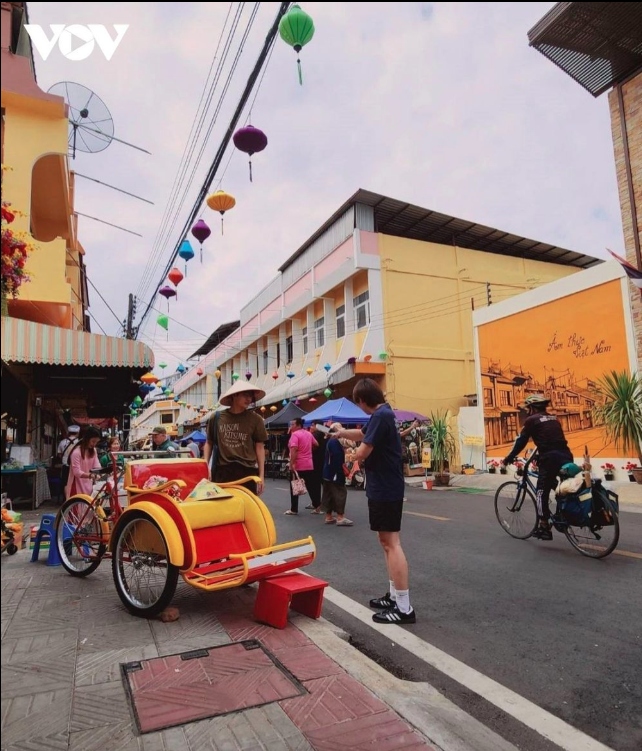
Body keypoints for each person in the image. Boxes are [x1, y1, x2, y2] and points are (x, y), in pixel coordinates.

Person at [334, 378, 415, 624]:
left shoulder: (381, 416)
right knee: (386, 542)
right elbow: (363, 433)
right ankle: (394, 596)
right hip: (385, 485)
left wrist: (348, 449)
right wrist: (340, 432)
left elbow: (362, 450)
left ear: (362, 401)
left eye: (357, 403)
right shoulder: (383, 415)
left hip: (386, 487)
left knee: (391, 543)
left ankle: (404, 607)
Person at [502, 393, 573, 541]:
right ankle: (563, 512)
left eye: (528, 408)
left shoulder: (531, 420)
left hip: (550, 459)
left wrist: (508, 458)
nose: (527, 411)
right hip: (566, 455)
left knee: (541, 491)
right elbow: (550, 439)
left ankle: (544, 526)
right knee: (562, 486)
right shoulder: (554, 418)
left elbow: (521, 442)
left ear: (533, 408)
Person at [203, 381, 268, 495]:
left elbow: (260, 447)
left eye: (250, 396)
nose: (249, 399)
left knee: (247, 508)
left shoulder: (256, 419)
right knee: (223, 508)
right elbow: (209, 443)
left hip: (247, 470)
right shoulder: (217, 417)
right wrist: (205, 466)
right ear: (234, 395)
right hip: (223, 470)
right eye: (245, 395)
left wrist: (261, 475)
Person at [321, 422, 353, 526]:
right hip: (334, 472)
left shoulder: (331, 441)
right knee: (340, 493)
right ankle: (340, 517)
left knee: (328, 494)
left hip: (327, 472)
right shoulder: (335, 442)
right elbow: (337, 460)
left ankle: (329, 516)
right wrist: (341, 472)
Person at [285, 418, 318, 515]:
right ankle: (317, 506)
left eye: (293, 424)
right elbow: (316, 444)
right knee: (311, 486)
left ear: (299, 425)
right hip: (308, 463)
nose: (291, 425)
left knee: (294, 486)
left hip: (298, 464)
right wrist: (308, 451)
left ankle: (294, 509)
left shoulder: (295, 435)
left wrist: (292, 464)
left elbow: (294, 450)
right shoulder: (308, 433)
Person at [65, 426, 102, 499]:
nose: (94, 444)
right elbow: (76, 472)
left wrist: (101, 472)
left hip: (88, 484)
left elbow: (97, 465)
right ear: (87, 439)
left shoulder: (93, 451)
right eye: (93, 441)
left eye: (96, 442)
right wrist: (90, 475)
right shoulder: (76, 452)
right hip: (76, 485)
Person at [305, 422, 326, 513]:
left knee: (313, 484)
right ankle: (320, 503)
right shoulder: (325, 434)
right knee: (323, 484)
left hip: (315, 463)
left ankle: (317, 504)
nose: (311, 427)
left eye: (313, 425)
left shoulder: (315, 435)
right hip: (322, 462)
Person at [59, 424, 81, 499]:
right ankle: (76, 498)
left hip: (66, 465)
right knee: (76, 482)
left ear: (68, 432)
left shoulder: (62, 442)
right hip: (77, 466)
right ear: (78, 433)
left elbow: (59, 454)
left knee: (66, 483)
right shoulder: (80, 443)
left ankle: (67, 499)